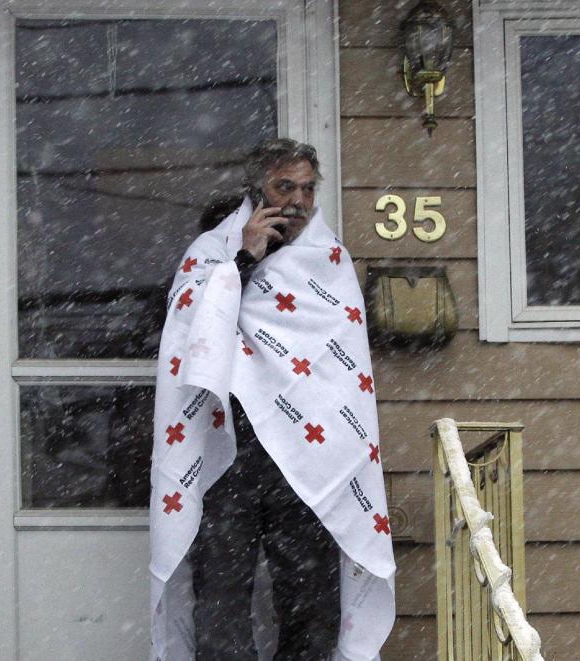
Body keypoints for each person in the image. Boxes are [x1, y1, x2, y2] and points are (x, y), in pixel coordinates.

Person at [150, 138, 395, 661]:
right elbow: (192, 334)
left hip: (307, 460)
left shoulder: (330, 262)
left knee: (311, 600)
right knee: (220, 597)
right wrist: (244, 257)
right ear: (257, 190)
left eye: (308, 188)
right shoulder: (213, 253)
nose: (299, 201)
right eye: (285, 186)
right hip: (229, 453)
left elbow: (341, 368)